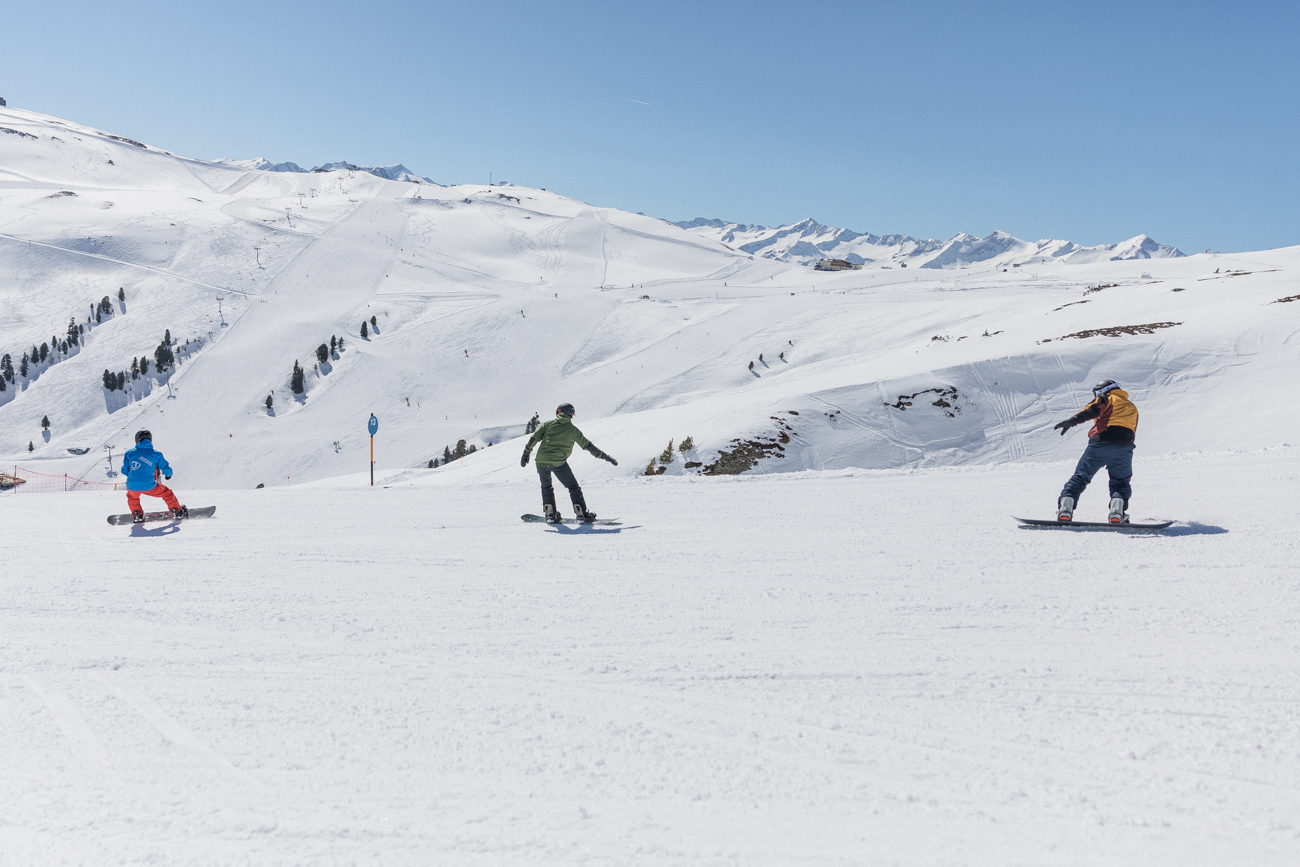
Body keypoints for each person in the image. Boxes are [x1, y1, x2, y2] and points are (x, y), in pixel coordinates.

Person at [1052, 380, 1138, 523]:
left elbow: (1092, 410)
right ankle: (1117, 513)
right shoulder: (1132, 406)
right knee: (1120, 482)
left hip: (1100, 443)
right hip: (1124, 448)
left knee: (1080, 477)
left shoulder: (1106, 398)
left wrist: (1072, 421)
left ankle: (1065, 510)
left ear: (1102, 391)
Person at [520, 403, 617, 523]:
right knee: (573, 487)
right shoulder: (573, 430)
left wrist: (526, 453)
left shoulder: (548, 424)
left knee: (546, 487)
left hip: (541, 461)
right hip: (558, 462)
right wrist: (605, 456)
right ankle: (581, 514)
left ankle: (550, 514)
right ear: (571, 414)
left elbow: (533, 438)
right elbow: (588, 446)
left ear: (558, 412)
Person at [121, 429, 187, 523]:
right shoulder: (156, 454)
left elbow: (124, 470)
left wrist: (135, 476)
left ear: (137, 440)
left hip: (132, 484)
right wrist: (168, 475)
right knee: (167, 493)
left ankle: (137, 514)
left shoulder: (129, 453)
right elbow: (165, 468)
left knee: (132, 497)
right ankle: (177, 511)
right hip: (148, 484)